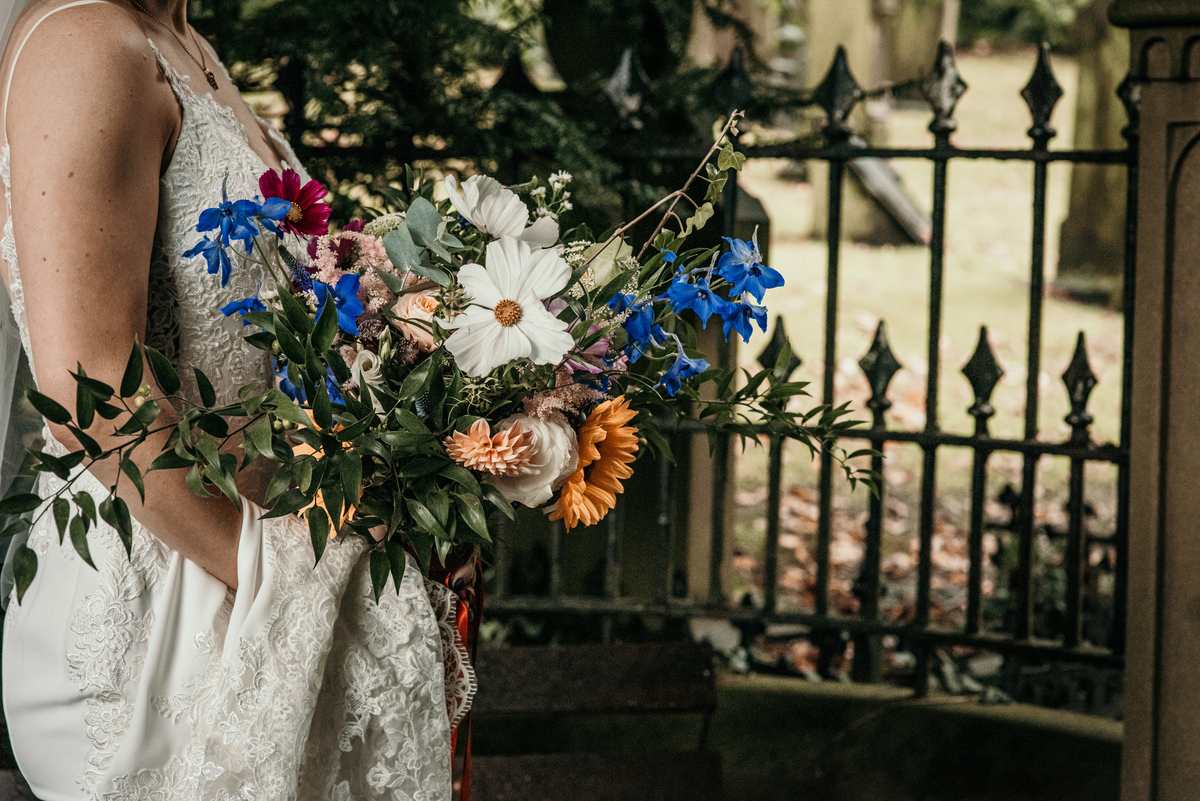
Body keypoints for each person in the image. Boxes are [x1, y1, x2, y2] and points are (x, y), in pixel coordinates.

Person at [0, 1, 474, 798]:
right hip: (158, 605)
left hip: (251, 556)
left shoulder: (180, 41)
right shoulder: (86, 44)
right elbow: (87, 383)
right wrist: (278, 577)